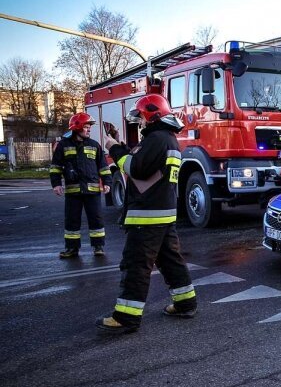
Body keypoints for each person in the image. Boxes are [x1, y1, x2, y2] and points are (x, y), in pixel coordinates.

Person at [96, 94, 196, 333]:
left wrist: (114, 148)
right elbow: (146, 165)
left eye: (141, 117)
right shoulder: (166, 139)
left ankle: (126, 317)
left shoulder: (157, 139)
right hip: (162, 213)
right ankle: (185, 303)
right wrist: (122, 145)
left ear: (152, 115)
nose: (139, 122)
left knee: (136, 265)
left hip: (148, 215)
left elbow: (136, 168)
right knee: (171, 262)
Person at [50, 113, 111, 258]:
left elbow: (103, 167)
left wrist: (107, 182)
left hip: (92, 191)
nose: (89, 130)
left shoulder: (94, 145)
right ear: (77, 127)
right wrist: (56, 184)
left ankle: (98, 247)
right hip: (73, 192)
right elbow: (55, 167)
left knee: (96, 219)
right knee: (72, 220)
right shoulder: (63, 146)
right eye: (86, 127)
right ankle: (72, 249)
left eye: (89, 127)